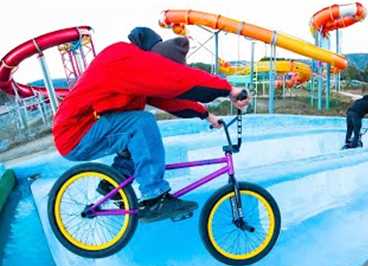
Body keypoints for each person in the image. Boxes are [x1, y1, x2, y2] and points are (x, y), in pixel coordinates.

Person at [52, 27, 249, 222]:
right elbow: (177, 79)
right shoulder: (123, 57)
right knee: (141, 123)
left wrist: (205, 114)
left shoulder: (135, 75)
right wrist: (228, 89)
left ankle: (113, 184)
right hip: (76, 132)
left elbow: (170, 100)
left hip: (89, 129)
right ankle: (155, 198)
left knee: (136, 135)